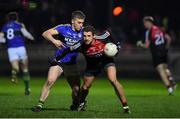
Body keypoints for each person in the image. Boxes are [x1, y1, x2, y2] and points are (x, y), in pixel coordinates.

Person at [54, 25, 130, 113]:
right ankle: (81, 102)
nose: (86, 38)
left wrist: (117, 44)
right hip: (92, 66)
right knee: (85, 87)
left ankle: (125, 106)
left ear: (94, 36)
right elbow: (67, 50)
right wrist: (57, 59)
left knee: (113, 80)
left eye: (89, 36)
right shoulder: (79, 45)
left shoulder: (101, 38)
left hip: (106, 61)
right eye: (84, 36)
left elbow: (109, 31)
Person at [32, 10, 86, 112]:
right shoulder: (63, 28)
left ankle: (75, 104)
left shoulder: (84, 32)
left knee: (76, 90)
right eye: (79, 22)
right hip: (59, 61)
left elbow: (93, 40)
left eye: (82, 22)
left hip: (71, 64)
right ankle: (39, 105)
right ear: (72, 21)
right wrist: (54, 40)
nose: (81, 25)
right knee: (50, 80)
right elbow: (45, 33)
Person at [136, 16, 177, 95]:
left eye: (144, 23)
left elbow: (147, 46)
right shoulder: (159, 29)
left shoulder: (149, 31)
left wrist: (140, 44)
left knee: (160, 70)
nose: (144, 25)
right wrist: (166, 48)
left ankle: (170, 89)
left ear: (148, 23)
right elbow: (169, 38)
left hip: (156, 52)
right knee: (165, 68)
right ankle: (171, 79)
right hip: (164, 51)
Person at [0, 12, 34, 95]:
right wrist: (32, 38)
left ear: (8, 18)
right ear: (17, 18)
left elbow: (0, 38)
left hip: (11, 48)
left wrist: (6, 41)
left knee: (15, 67)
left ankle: (14, 72)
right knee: (25, 69)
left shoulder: (5, 26)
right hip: (20, 47)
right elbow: (26, 34)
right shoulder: (20, 25)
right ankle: (27, 88)